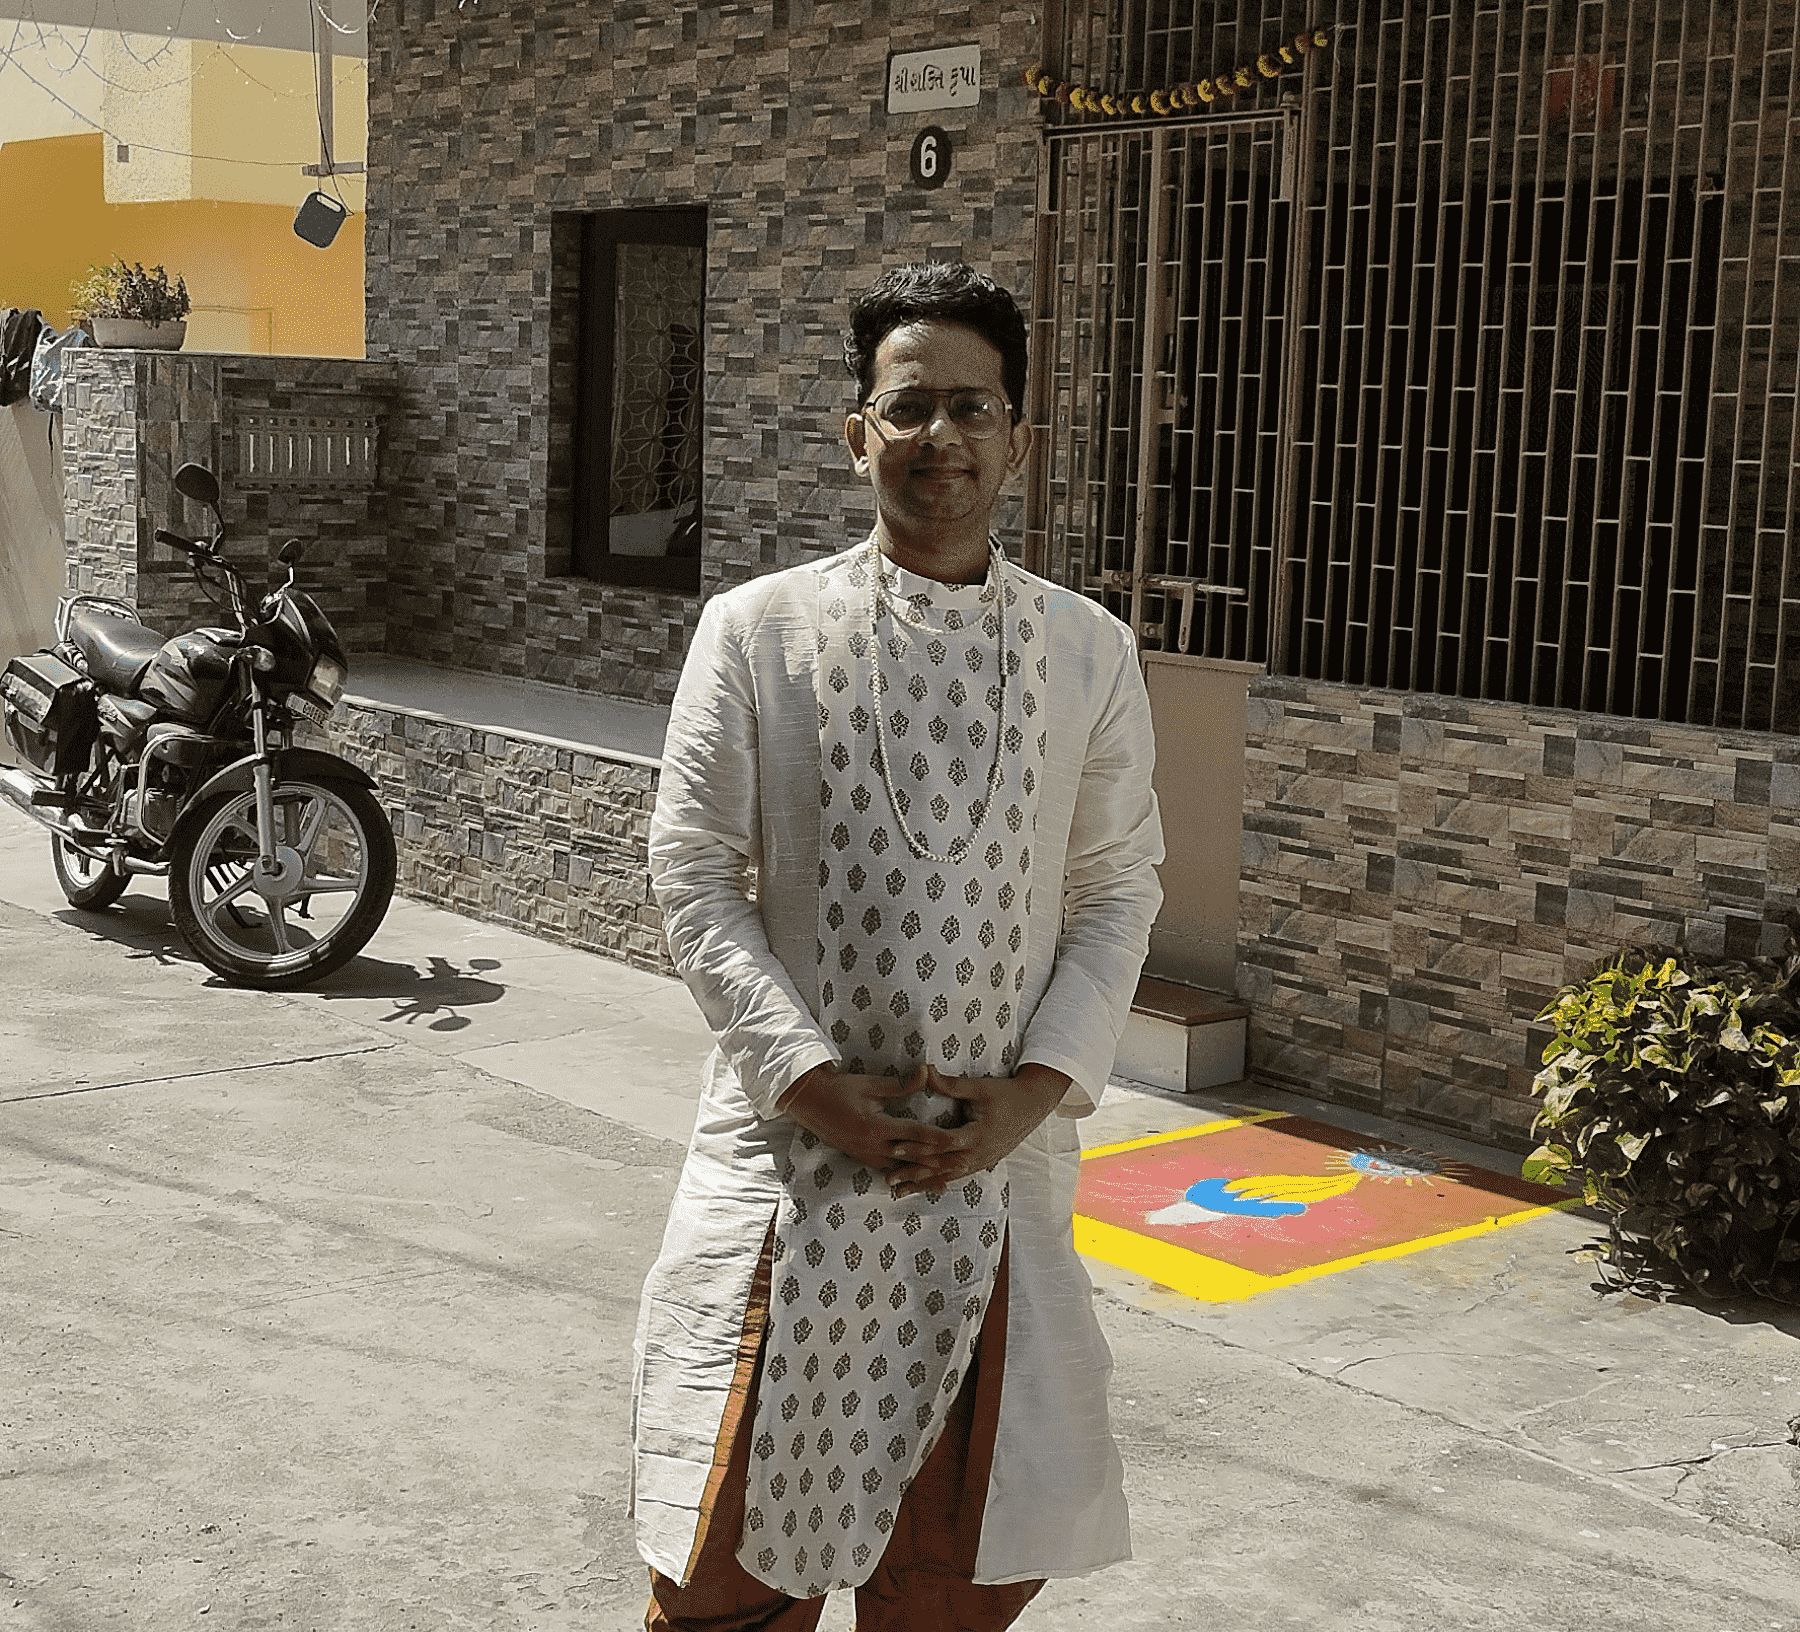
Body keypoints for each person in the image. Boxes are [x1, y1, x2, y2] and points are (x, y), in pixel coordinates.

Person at [632, 261, 1164, 1632]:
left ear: (1018, 442)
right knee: (721, 1585)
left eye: (973, 408)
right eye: (909, 406)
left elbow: (1118, 889)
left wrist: (1030, 1099)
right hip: (788, 1169)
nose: (942, 437)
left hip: (993, 1173)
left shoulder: (1090, 652)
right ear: (856, 435)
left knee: (952, 1584)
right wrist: (812, 1086)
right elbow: (692, 874)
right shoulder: (757, 631)